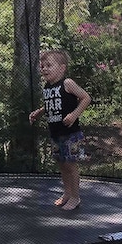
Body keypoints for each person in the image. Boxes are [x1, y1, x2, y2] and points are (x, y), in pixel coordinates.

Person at [29, 49, 91, 211]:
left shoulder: (67, 83)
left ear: (62, 68)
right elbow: (51, 103)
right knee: (62, 165)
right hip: (56, 133)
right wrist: (40, 112)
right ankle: (67, 193)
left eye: (49, 65)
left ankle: (76, 197)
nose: (44, 69)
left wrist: (74, 114)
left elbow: (86, 98)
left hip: (70, 134)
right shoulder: (48, 86)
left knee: (70, 165)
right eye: (42, 66)